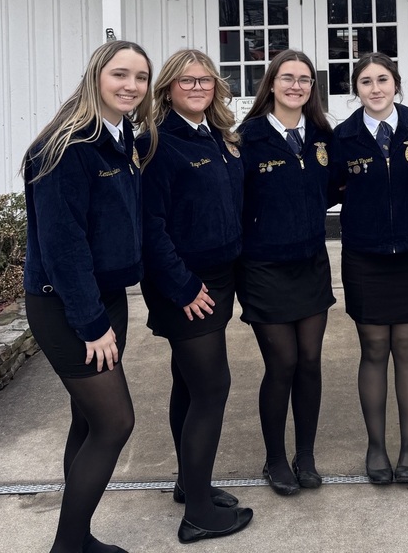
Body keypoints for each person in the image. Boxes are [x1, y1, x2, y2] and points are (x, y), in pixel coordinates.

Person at [22, 40, 155, 553]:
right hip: (67, 304)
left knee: (88, 418)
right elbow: (62, 246)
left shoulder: (124, 140)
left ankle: (78, 538)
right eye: (120, 74)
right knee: (115, 422)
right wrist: (91, 322)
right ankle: (67, 547)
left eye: (141, 77)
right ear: (96, 76)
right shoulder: (66, 146)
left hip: (106, 297)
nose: (131, 86)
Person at [137, 50, 253, 542]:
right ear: (167, 89)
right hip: (186, 286)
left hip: (219, 279)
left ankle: (191, 483)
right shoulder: (158, 144)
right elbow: (149, 227)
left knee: (188, 385)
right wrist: (183, 286)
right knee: (211, 389)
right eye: (187, 81)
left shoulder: (219, 135)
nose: (198, 87)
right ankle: (200, 514)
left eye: (206, 80)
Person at [331, 53, 408, 485]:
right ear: (355, 89)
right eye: (365, 82)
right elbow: (333, 187)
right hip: (364, 256)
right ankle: (376, 446)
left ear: (397, 84)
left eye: (383, 80)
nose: (375, 89)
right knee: (374, 350)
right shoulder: (344, 136)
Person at [236, 50, 335, 496]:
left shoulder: (321, 135)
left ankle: (306, 456)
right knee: (283, 363)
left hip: (312, 264)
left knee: (310, 362)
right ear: (271, 83)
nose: (296, 86)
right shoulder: (246, 139)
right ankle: (275, 459)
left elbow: (333, 187)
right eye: (288, 78)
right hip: (263, 269)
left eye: (305, 80)